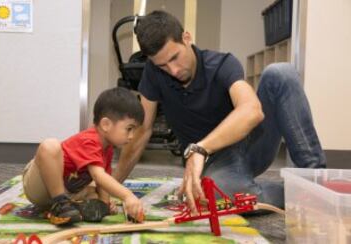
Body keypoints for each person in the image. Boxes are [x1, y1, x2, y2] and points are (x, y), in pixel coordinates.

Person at [113, 10, 326, 214]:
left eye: (175, 57)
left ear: (186, 38)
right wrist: (111, 186)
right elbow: (142, 130)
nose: (174, 70)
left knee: (281, 73)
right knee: (215, 196)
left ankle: (315, 181)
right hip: (216, 162)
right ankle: (298, 194)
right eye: (163, 66)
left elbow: (252, 110)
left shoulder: (221, 64)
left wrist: (200, 148)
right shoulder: (152, 73)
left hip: (251, 143)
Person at [22, 87, 145, 225]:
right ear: (106, 124)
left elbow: (103, 180)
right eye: (129, 129)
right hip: (40, 184)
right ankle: (61, 205)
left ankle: (67, 208)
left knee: (93, 193)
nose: (132, 136)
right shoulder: (89, 140)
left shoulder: (108, 148)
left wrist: (105, 203)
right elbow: (99, 176)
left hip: (67, 190)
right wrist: (127, 196)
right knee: (50, 145)